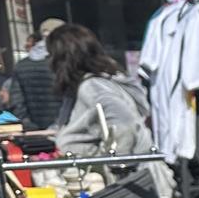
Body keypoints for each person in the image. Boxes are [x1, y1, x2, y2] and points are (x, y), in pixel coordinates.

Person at [48, 24, 153, 157]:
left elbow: (124, 125)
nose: (49, 63)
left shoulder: (93, 88)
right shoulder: (85, 86)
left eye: (51, 55)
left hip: (114, 174)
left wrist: (111, 161)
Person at [2, 18, 65, 129]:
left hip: (34, 132)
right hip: (64, 126)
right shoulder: (64, 61)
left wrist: (27, 123)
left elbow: (16, 101)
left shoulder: (22, 65)